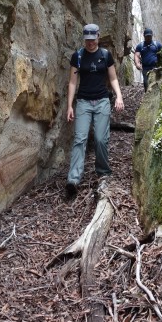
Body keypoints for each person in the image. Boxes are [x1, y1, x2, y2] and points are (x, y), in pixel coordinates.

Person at [65, 24, 124, 195]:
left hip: (102, 102)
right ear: (84, 38)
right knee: (80, 139)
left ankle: (103, 173)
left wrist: (119, 96)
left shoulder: (105, 55)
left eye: (93, 39)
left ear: (98, 36)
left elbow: (113, 78)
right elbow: (72, 82)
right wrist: (70, 106)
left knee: (100, 139)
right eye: (88, 40)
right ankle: (73, 179)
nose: (90, 42)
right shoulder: (78, 56)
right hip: (83, 102)